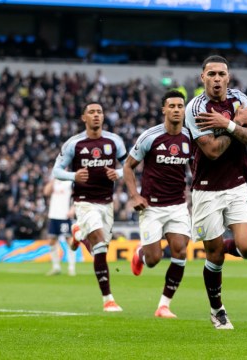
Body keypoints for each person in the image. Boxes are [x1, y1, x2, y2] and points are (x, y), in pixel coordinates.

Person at [184, 55, 247, 329]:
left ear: (228, 78)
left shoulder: (240, 99)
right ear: (202, 77)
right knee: (214, 257)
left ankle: (220, 245)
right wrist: (235, 124)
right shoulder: (194, 108)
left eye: (222, 74)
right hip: (206, 190)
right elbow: (212, 151)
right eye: (212, 74)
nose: (217, 79)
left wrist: (228, 123)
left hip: (237, 184)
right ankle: (217, 309)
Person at [124, 90, 192, 318]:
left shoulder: (190, 137)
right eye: (171, 106)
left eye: (180, 106)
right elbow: (128, 166)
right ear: (164, 110)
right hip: (151, 207)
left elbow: (196, 168)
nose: (176, 110)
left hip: (178, 206)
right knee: (153, 260)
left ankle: (164, 305)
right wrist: (134, 196)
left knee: (180, 251)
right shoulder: (150, 136)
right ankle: (141, 253)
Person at [53, 102, 127, 312]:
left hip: (107, 202)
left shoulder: (114, 141)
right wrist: (73, 176)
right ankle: (108, 299)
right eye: (91, 112)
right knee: (100, 246)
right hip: (84, 202)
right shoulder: (74, 144)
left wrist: (118, 173)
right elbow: (56, 171)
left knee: (100, 248)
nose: (96, 115)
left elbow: (129, 164)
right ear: (83, 117)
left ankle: (78, 234)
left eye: (99, 112)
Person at [43, 177, 77, 276]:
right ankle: (56, 267)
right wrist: (53, 179)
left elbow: (77, 196)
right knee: (51, 241)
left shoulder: (70, 182)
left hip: (64, 216)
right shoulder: (55, 181)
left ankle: (71, 268)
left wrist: (73, 209)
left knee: (69, 240)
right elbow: (46, 192)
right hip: (53, 215)